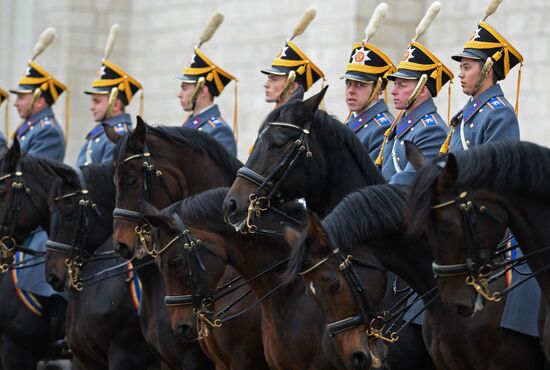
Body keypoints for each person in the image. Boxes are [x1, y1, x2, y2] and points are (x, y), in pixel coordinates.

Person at [444, 12, 540, 340]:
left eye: (466, 67)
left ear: (487, 70)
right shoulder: (465, 116)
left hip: (487, 210)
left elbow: (497, 172)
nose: (460, 74)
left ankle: (526, 331)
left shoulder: (498, 112)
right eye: (460, 66)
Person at [379, 40, 453, 185]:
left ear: (422, 90)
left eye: (401, 85)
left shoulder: (431, 130)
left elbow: (408, 182)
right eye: (395, 84)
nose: (393, 91)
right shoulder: (403, 124)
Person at [78, 58, 141, 166]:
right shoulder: (103, 130)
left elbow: (106, 178)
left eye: (97, 101)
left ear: (116, 105)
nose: (91, 107)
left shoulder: (119, 134)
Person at [177, 47, 238, 156]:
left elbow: (221, 172)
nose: (179, 95)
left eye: (185, 88)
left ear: (202, 91)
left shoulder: (219, 131)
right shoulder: (189, 123)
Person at [342, 41, 396, 161]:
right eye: (348, 83)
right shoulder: (350, 121)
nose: (351, 91)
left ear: (378, 90)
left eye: (360, 85)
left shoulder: (383, 127)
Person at [261, 40, 324, 109]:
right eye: (269, 78)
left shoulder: (296, 120)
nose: (266, 85)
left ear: (293, 87)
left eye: (274, 79)